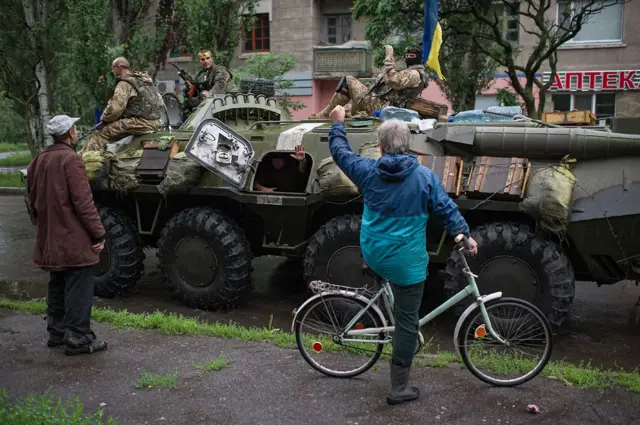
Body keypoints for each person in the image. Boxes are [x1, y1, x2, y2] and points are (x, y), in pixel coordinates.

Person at [327, 105, 478, 405]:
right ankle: (399, 388)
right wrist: (463, 235)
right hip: (407, 263)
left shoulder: (367, 170)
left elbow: (340, 151)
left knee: (394, 289)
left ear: (381, 147)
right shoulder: (424, 177)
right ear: (408, 146)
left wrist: (338, 122)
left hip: (373, 252)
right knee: (408, 323)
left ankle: (383, 313)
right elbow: (445, 209)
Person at [25, 115, 108, 356]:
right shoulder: (71, 160)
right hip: (73, 238)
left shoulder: (38, 160)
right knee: (80, 282)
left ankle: (57, 333)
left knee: (58, 281)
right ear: (70, 133)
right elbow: (84, 202)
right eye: (74, 127)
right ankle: (79, 338)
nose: (76, 130)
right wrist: (98, 234)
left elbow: (31, 200)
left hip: (51, 237)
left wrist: (42, 227)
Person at [310, 45, 430, 119]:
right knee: (344, 109)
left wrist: (389, 57)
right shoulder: (412, 73)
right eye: (407, 55)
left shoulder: (415, 74)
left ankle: (324, 114)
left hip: (384, 108)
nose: (408, 57)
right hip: (382, 105)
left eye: (411, 55)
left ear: (418, 57)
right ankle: (328, 114)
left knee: (348, 81)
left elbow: (394, 81)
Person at [81, 57, 164, 152]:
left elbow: (115, 109)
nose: (112, 71)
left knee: (98, 134)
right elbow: (159, 101)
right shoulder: (144, 80)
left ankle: (87, 162)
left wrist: (104, 120)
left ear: (119, 67)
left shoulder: (124, 83)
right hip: (155, 122)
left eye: (113, 68)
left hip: (139, 123)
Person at [182, 49, 237, 114]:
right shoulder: (200, 75)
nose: (205, 61)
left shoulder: (220, 70)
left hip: (227, 98)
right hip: (212, 99)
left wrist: (209, 93)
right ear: (199, 61)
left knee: (203, 94)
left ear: (212, 59)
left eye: (208, 58)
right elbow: (198, 92)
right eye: (203, 59)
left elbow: (220, 84)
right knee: (188, 101)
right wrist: (190, 87)